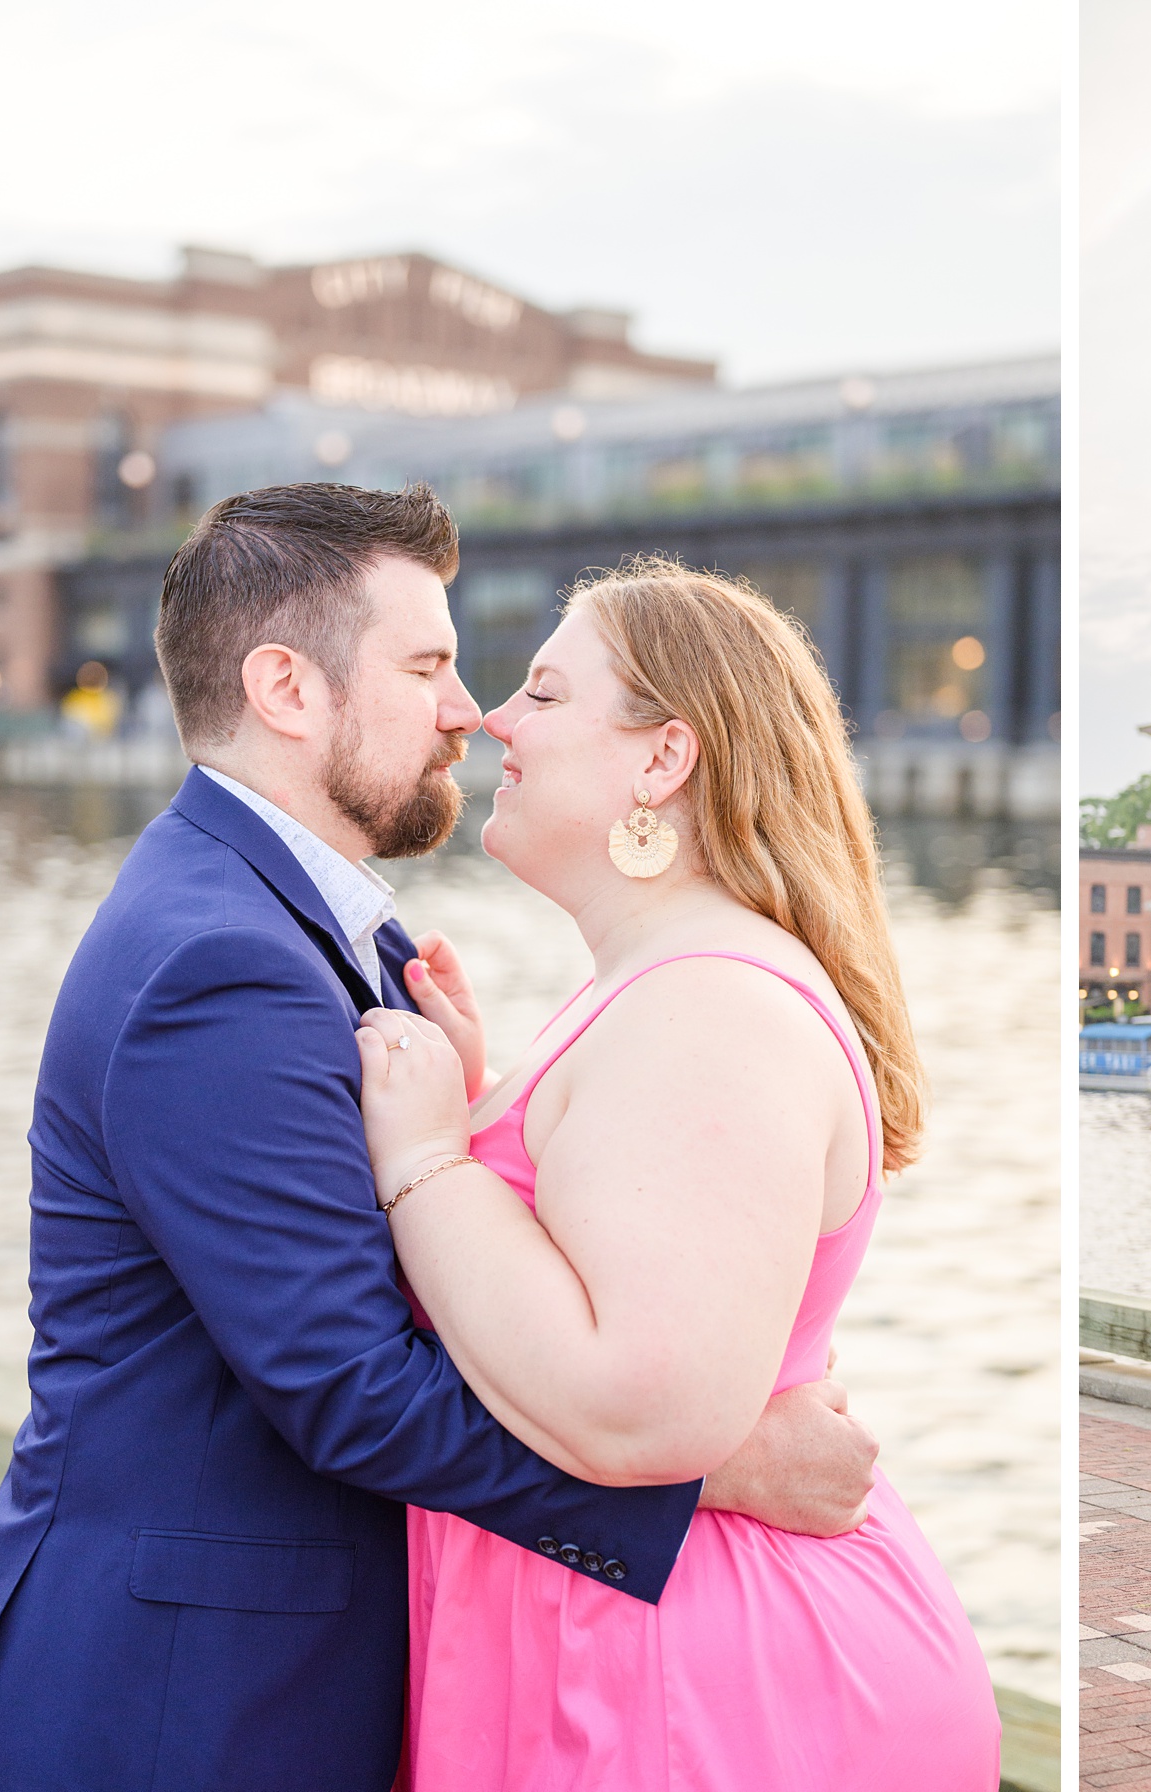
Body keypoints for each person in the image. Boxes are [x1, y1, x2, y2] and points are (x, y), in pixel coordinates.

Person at [0, 486, 875, 1792]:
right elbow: (345, 1386)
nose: (465, 709)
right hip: (179, 1716)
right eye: (428, 665)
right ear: (286, 690)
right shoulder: (221, 960)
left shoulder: (303, 927)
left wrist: (476, 1127)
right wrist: (721, 1475)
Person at [355, 556, 999, 1790]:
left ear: (663, 760)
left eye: (544, 695)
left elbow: (635, 1400)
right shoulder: (664, 983)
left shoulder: (710, 1006)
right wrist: (491, 1107)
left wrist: (434, 1157)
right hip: (633, 1649)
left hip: (699, 1690)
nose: (494, 718)